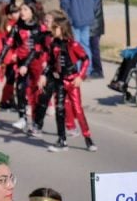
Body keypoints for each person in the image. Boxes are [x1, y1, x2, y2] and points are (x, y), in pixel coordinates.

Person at [32, 11, 94, 152]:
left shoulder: (73, 44)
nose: (51, 31)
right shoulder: (53, 44)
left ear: (61, 28)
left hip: (72, 82)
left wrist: (80, 76)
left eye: (54, 28)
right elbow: (50, 63)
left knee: (78, 110)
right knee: (60, 110)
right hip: (59, 82)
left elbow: (85, 60)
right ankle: (62, 140)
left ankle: (88, 138)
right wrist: (43, 75)